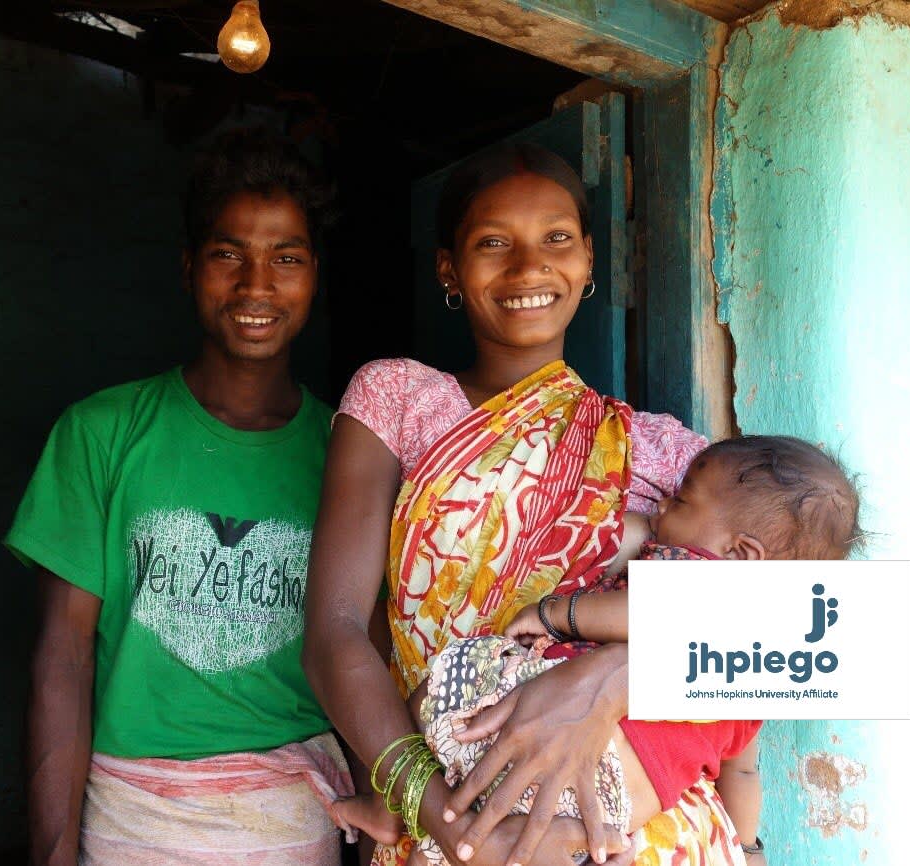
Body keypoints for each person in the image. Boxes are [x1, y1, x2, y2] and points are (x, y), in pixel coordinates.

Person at [303, 141, 755, 866]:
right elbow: (332, 632)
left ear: (587, 262)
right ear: (448, 268)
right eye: (492, 243)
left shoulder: (665, 453)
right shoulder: (397, 400)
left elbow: (825, 631)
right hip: (449, 819)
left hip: (640, 834)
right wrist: (435, 811)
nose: (527, 267)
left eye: (556, 239)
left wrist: (611, 677)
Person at [7, 127, 354, 866]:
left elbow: (372, 650)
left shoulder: (349, 455)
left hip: (291, 819)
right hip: (131, 814)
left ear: (314, 276)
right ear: (190, 266)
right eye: (228, 254)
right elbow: (61, 657)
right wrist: (51, 851)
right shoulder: (100, 432)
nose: (256, 285)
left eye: (285, 258)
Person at [409, 434, 862, 866]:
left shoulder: (701, 578)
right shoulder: (758, 675)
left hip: (556, 744)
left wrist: (556, 614)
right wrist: (748, 848)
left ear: (740, 554)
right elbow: (742, 773)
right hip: (611, 808)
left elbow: (652, 615)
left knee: (443, 683)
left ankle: (390, 803)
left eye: (681, 500)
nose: (662, 504)